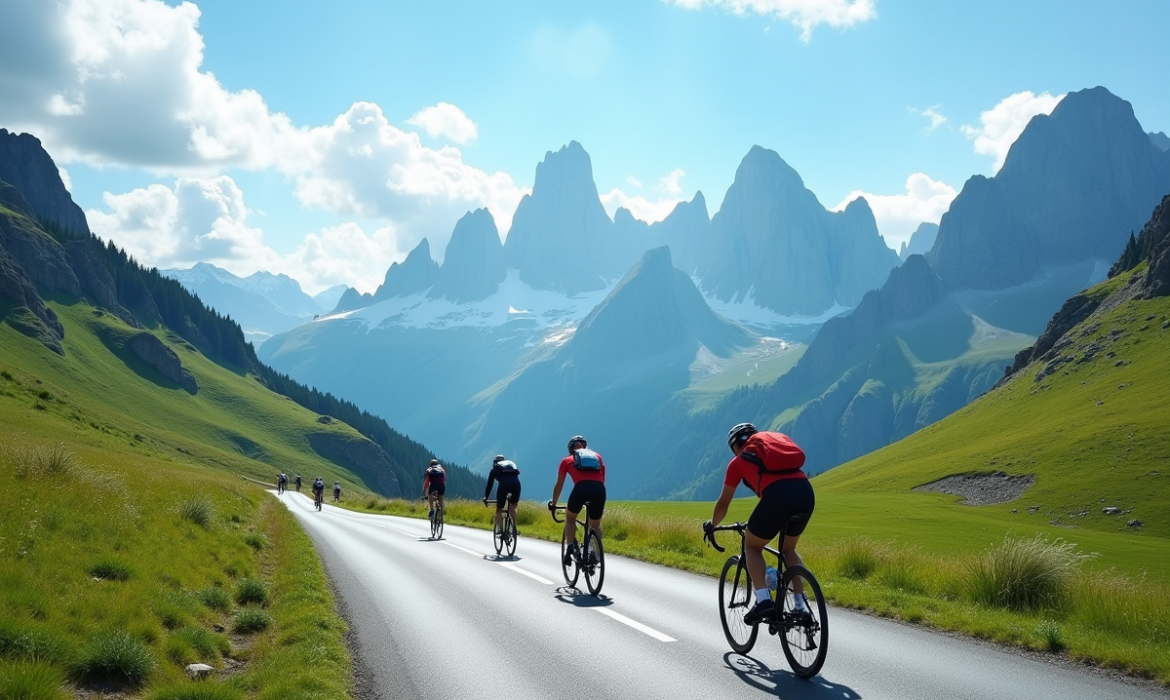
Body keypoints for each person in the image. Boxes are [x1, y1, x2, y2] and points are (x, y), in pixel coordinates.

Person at [705, 423, 813, 625]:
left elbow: (723, 504)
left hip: (777, 497)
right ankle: (800, 606)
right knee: (788, 550)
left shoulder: (738, 462)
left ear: (735, 446)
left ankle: (763, 600)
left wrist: (712, 525)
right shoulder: (774, 446)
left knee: (752, 546)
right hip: (805, 492)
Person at [549, 435, 606, 566]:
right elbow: (602, 479)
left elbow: (559, 485)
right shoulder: (597, 457)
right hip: (599, 489)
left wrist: (554, 504)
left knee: (570, 518)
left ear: (571, 449)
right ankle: (595, 554)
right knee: (595, 525)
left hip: (581, 489)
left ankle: (569, 548)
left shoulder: (567, 460)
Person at [484, 455, 522, 535]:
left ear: (494, 463)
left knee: (499, 509)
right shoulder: (510, 464)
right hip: (516, 484)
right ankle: (514, 528)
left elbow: (489, 485)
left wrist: (486, 497)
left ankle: (501, 530)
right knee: (513, 506)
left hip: (504, 485)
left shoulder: (494, 469)